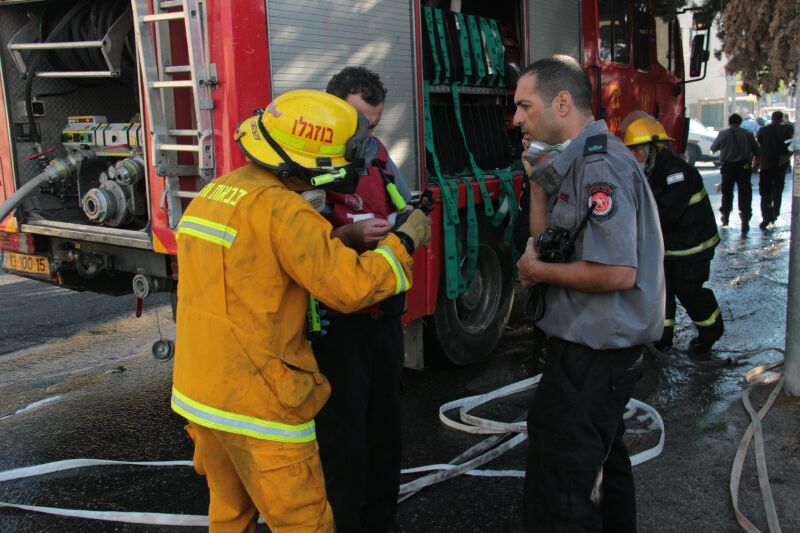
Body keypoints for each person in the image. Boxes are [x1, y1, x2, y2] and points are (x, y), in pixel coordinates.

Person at [171, 89, 431, 532]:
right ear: (315, 161)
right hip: (260, 405)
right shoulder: (286, 212)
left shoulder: (216, 192)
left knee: (230, 516)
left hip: (200, 396)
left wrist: (340, 240)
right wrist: (404, 241)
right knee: (304, 523)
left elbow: (256, 269)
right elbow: (352, 288)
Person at [514, 56, 664, 532]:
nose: (516, 118)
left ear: (562, 102)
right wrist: (538, 186)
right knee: (603, 466)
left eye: (524, 105)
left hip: (595, 354)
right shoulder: (573, 161)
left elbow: (618, 272)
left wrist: (537, 272)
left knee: (563, 485)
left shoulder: (600, 166)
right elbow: (549, 244)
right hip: (585, 348)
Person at [310, 66, 411, 533]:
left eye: (372, 124)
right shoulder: (304, 159)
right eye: (357, 123)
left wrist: (407, 221)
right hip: (335, 325)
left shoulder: (375, 153)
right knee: (343, 443)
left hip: (381, 318)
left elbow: (399, 200)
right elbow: (296, 244)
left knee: (385, 435)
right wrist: (347, 234)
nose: (364, 135)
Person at [621, 111, 723, 355]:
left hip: (693, 246)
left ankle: (711, 331)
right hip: (669, 247)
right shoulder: (652, 170)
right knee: (662, 292)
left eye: (637, 150)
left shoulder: (677, 173)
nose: (633, 156)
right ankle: (662, 337)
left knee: (689, 291)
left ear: (654, 147)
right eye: (630, 150)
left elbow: (665, 214)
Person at [710, 113, 760, 234]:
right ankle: (745, 220)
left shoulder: (723, 133)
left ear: (729, 122)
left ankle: (725, 217)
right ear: (740, 122)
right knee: (745, 193)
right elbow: (758, 151)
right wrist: (755, 165)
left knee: (727, 193)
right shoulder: (748, 134)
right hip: (744, 167)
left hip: (728, 167)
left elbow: (713, 149)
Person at [756, 110, 794, 229]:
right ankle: (775, 214)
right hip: (780, 164)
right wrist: (786, 156)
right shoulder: (788, 129)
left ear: (772, 118)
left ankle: (766, 215)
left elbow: (760, 142)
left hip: (766, 164)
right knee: (778, 190)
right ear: (782, 119)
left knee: (765, 192)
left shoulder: (763, 130)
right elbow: (792, 144)